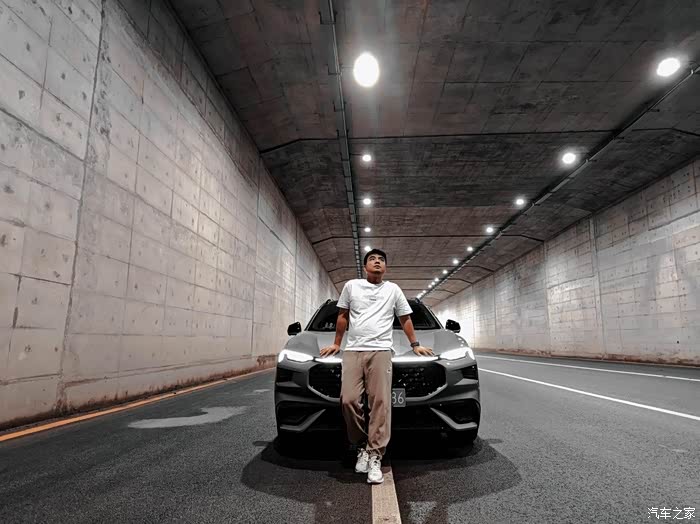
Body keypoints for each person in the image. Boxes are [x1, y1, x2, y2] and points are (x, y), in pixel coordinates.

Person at [319, 248, 434, 484]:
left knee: (380, 403)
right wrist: (337, 343)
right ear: (365, 267)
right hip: (353, 350)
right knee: (348, 400)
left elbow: (404, 318)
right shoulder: (352, 286)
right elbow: (343, 316)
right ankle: (362, 444)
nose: (377, 262)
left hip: (381, 350)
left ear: (386, 267)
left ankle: (375, 455)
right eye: (372, 259)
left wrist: (415, 345)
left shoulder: (393, 289)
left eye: (381, 259)